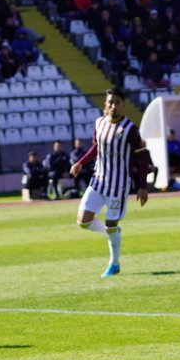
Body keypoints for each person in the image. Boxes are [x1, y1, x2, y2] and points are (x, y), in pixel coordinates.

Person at [70, 88, 150, 278]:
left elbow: (143, 158)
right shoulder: (99, 123)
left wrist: (142, 186)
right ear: (105, 105)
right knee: (83, 221)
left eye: (117, 102)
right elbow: (96, 148)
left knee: (111, 224)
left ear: (123, 105)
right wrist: (80, 163)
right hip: (98, 181)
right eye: (110, 102)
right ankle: (113, 234)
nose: (113, 106)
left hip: (118, 186)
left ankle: (114, 264)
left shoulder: (130, 129)